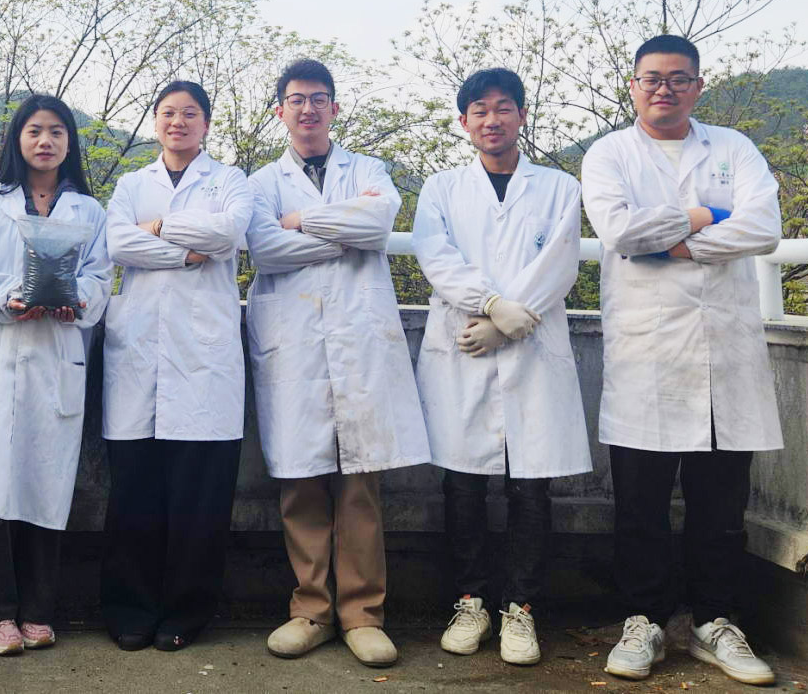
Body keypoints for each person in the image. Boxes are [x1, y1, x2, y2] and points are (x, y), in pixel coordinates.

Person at [582, 35, 782, 686]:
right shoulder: (609, 153)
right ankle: (642, 620)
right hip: (647, 351)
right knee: (640, 504)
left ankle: (713, 622)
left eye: (677, 78)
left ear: (697, 85)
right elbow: (621, 232)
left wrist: (676, 245)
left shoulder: (733, 147)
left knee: (719, 505)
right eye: (651, 78)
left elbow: (763, 228)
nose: (663, 89)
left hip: (724, 350)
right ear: (633, 86)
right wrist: (704, 214)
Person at [245, 58, 431, 668]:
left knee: (360, 483)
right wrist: (340, 233)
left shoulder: (368, 170)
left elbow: (377, 224)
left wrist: (301, 222)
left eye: (318, 98)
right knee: (300, 480)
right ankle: (311, 610)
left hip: (357, 339)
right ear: (280, 110)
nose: (308, 109)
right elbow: (265, 248)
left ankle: (362, 614)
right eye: (296, 99)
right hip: (293, 342)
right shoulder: (261, 182)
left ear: (334, 107)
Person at [412, 68, 592, 666]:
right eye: (480, 111)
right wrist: (491, 305)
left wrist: (515, 318)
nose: (492, 120)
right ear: (465, 122)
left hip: (530, 346)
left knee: (530, 486)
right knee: (462, 484)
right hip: (465, 343)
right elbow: (436, 256)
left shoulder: (559, 188)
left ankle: (521, 607)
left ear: (521, 116)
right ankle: (471, 601)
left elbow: (559, 263)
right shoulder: (441, 188)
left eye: (503, 108)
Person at [0, 94, 111, 656]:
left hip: (56, 355)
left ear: (70, 143)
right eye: (35, 130)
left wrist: (74, 301)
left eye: (57, 132)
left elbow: (100, 278)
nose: (46, 141)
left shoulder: (88, 211)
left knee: (45, 484)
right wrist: (11, 296)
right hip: (2, 354)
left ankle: (38, 608)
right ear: (18, 138)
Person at [100, 81, 252, 652]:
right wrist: (188, 252)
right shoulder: (132, 183)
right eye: (168, 113)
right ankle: (130, 610)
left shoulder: (230, 179)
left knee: (199, 494)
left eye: (190, 113)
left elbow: (228, 233)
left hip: (204, 355)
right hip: (138, 348)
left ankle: (187, 613)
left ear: (206, 124)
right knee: (134, 491)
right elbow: (116, 243)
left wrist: (158, 228)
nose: (178, 122)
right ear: (155, 122)